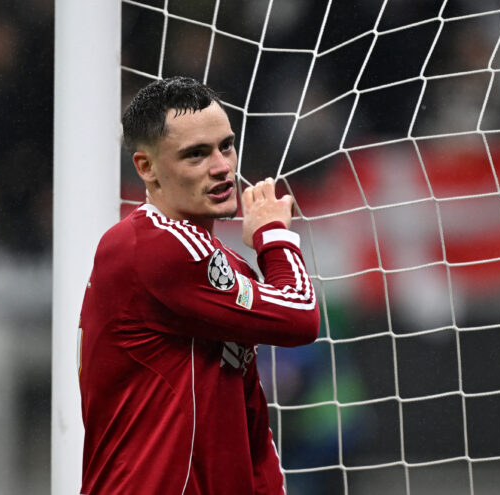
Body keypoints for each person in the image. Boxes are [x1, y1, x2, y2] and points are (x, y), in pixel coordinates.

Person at [78, 76, 320, 494]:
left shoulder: (220, 265)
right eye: (196, 155)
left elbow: (251, 426)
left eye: (226, 145)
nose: (222, 167)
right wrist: (274, 237)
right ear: (146, 167)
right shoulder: (151, 245)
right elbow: (299, 317)